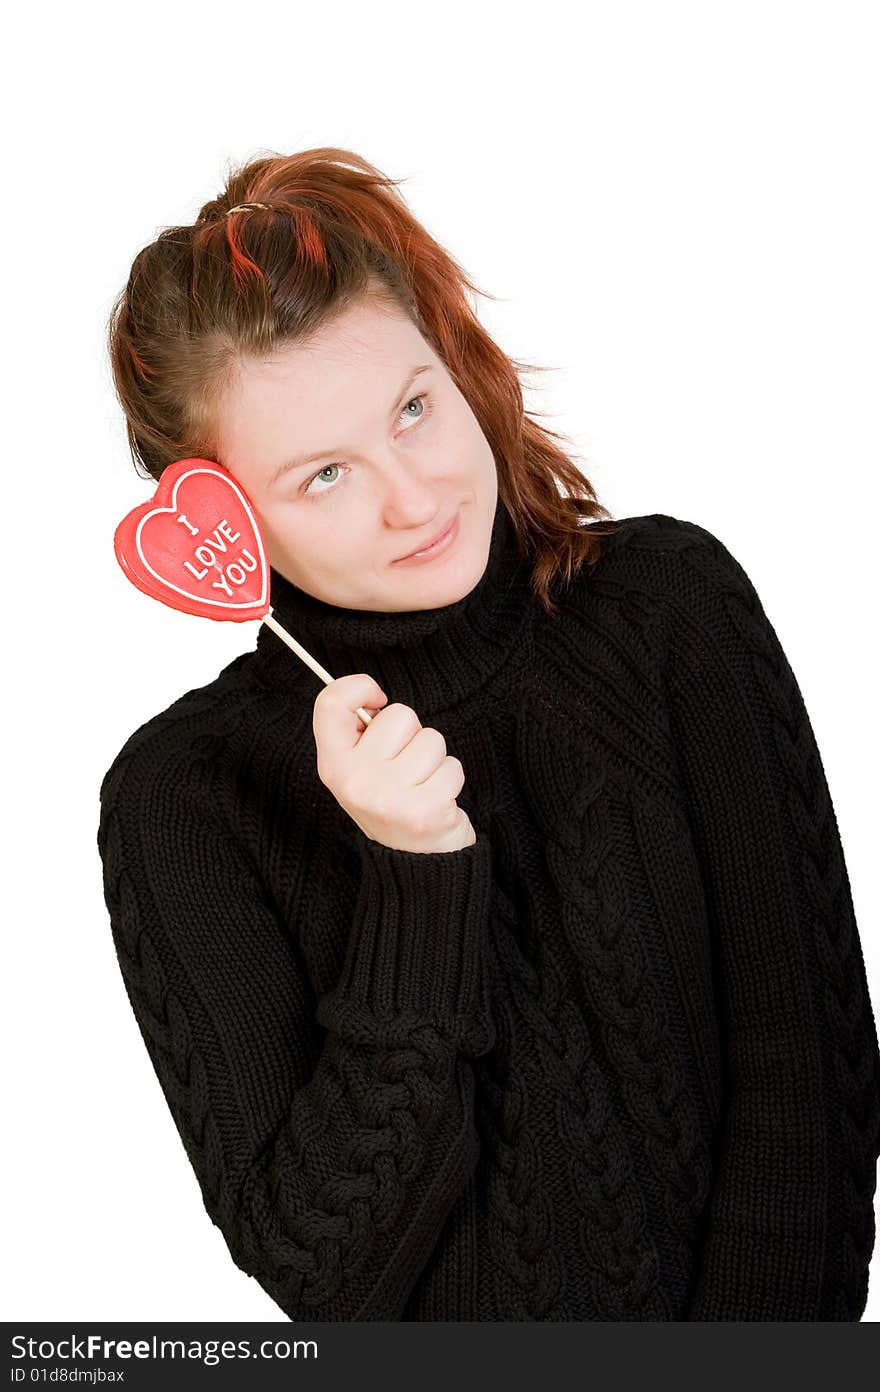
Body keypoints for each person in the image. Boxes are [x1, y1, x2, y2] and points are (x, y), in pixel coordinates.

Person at [97, 146, 880, 1322]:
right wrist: (415, 882)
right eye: (324, 476)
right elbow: (329, 1280)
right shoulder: (184, 798)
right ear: (222, 519)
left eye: (414, 408)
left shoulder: (671, 611)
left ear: (452, 367)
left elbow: (806, 1092)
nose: (413, 496)